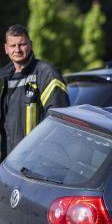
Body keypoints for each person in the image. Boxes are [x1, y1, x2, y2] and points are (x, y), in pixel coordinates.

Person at [0, 25, 69, 160]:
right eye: (12, 45)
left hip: (37, 160)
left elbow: (60, 119)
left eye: (22, 44)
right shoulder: (3, 78)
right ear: (6, 49)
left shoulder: (46, 73)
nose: (17, 50)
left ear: (30, 45)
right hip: (8, 161)